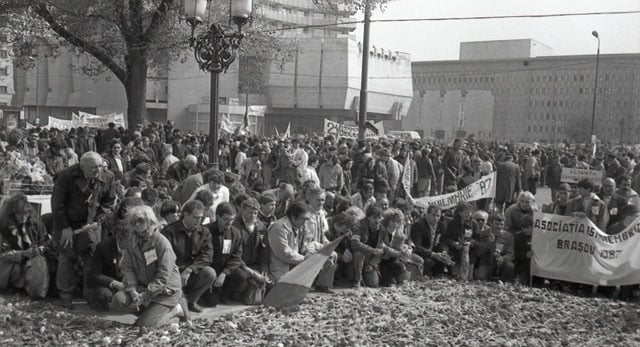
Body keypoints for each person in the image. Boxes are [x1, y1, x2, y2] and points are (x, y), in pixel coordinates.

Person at [52, 151, 118, 309]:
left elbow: (109, 202)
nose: (97, 171)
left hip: (91, 223)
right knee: (66, 256)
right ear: (82, 167)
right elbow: (57, 204)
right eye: (93, 168)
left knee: (92, 257)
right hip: (67, 222)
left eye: (99, 167)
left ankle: (91, 295)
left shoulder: (107, 176)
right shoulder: (66, 176)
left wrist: (97, 220)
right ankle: (66, 295)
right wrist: (65, 227)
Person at [117, 205, 187, 327]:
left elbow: (163, 275)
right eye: (134, 222)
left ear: (150, 221)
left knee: (144, 326)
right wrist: (132, 290)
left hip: (165, 291)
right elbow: (127, 267)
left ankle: (175, 309)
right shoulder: (132, 240)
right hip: (142, 287)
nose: (137, 225)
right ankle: (149, 313)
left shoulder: (161, 242)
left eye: (140, 221)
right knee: (119, 300)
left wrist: (146, 294)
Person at [161, 200, 216, 312]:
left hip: (191, 271)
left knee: (210, 273)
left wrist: (190, 269)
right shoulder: (169, 232)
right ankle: (174, 301)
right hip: (172, 272)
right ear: (185, 214)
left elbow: (207, 256)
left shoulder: (204, 232)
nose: (199, 221)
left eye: (201, 218)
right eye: (196, 217)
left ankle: (190, 301)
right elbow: (164, 258)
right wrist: (177, 273)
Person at [0, 194, 51, 298]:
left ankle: (36, 290)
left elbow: (46, 241)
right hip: (13, 263)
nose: (23, 218)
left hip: (33, 260)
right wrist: (23, 254)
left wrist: (41, 248)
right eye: (20, 215)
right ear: (12, 214)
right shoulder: (4, 228)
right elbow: (3, 253)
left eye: (25, 214)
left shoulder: (36, 225)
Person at [303, 188, 337, 293]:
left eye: (322, 200)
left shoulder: (322, 214)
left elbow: (323, 234)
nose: (321, 203)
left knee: (333, 254)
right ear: (310, 199)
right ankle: (304, 285)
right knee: (312, 255)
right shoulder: (305, 214)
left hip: (318, 244)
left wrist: (328, 244)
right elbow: (305, 236)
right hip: (306, 246)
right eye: (318, 200)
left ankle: (323, 284)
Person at [267, 201, 311, 283]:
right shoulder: (279, 227)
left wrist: (309, 252)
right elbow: (283, 252)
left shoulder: (300, 226)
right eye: (303, 219)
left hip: (294, 265)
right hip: (279, 268)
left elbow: (306, 243)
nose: (305, 222)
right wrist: (304, 258)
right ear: (294, 217)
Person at [350, 205, 385, 288]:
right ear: (368, 217)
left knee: (374, 284)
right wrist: (372, 250)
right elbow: (355, 244)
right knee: (359, 253)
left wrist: (372, 264)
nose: (377, 220)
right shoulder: (358, 225)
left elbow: (382, 249)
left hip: (370, 259)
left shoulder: (382, 230)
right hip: (357, 258)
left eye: (379, 217)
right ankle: (357, 279)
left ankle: (365, 276)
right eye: (374, 218)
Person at [410, 205, 447, 276]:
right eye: (433, 215)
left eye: (438, 216)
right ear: (427, 214)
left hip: (435, 252)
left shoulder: (441, 225)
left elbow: (443, 242)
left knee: (445, 259)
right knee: (429, 262)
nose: (435, 218)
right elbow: (417, 246)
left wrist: (443, 252)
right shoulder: (418, 225)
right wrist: (433, 254)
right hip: (420, 253)